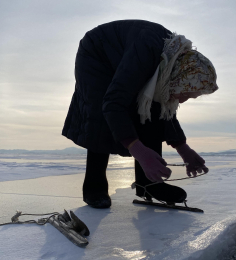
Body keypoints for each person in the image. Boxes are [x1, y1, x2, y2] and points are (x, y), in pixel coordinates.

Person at [62, 19, 218, 209]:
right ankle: (95, 188)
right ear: (180, 80)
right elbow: (113, 104)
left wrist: (183, 148)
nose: (183, 100)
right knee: (101, 114)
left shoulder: (170, 65)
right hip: (97, 54)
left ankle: (149, 184)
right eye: (185, 94)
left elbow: (163, 110)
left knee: (151, 109)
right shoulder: (148, 55)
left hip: (128, 55)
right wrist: (139, 150)